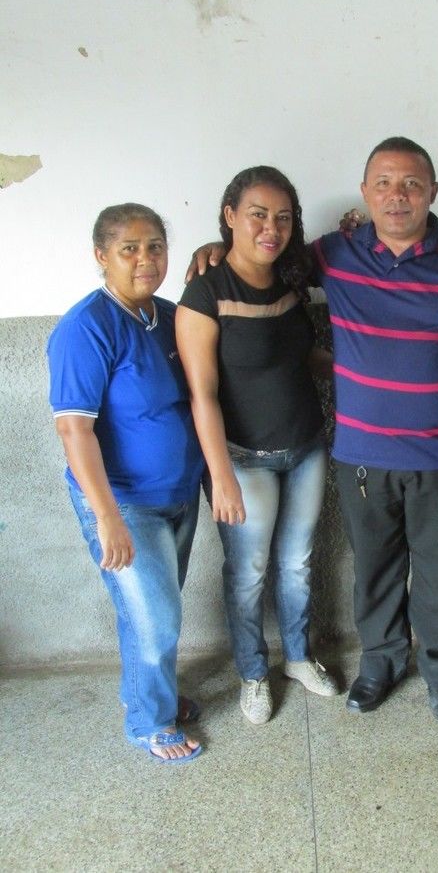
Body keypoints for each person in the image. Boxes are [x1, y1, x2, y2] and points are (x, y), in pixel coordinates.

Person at [188, 139, 438, 721]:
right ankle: (381, 663)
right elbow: (263, 254)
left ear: (433, 193)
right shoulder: (334, 253)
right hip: (362, 454)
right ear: (365, 193)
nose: (397, 195)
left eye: (411, 183)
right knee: (376, 571)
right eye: (384, 183)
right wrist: (217, 245)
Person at [176, 167, 339, 727]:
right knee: (247, 572)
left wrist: (359, 370)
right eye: (257, 215)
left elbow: (303, 358)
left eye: (283, 217)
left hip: (306, 448)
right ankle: (252, 671)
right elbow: (202, 394)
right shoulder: (205, 290)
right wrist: (219, 474)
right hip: (242, 460)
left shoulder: (293, 278)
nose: (271, 227)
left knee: (296, 565)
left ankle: (297, 658)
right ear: (229, 217)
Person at [47, 203, 205, 763]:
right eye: (129, 249)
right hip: (122, 502)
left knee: (148, 611)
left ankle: (143, 690)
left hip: (178, 495)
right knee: (158, 619)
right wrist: (107, 517)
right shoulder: (86, 327)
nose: (145, 259)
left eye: (155, 246)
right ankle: (148, 720)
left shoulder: (167, 314)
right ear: (101, 256)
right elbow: (73, 430)